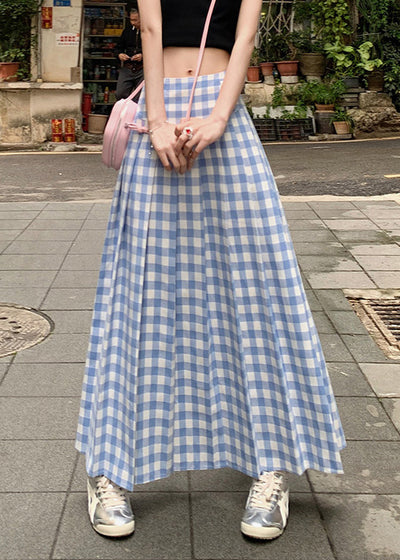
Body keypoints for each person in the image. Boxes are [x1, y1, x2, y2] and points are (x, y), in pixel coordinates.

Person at [76, 0, 346, 541]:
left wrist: (220, 116)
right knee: (136, 292)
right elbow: (152, 27)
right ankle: (108, 466)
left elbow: (244, 37)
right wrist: (157, 121)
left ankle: (272, 464)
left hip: (225, 117)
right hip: (156, 120)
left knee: (261, 288)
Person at [115, 8, 143, 101]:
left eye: (135, 20)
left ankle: (135, 110)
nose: (133, 23)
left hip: (143, 68)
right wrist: (120, 55)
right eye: (131, 20)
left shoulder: (148, 31)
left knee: (140, 96)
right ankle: (124, 109)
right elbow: (118, 47)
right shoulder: (127, 31)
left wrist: (143, 56)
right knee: (120, 93)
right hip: (128, 67)